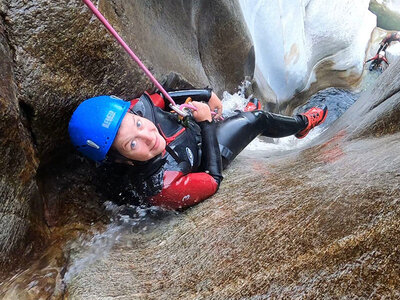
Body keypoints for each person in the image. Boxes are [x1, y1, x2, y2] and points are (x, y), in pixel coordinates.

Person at [69, 89, 327, 210]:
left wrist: (206, 93)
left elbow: (166, 91)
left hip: (191, 133)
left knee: (229, 117)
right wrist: (205, 124)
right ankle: (302, 124)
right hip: (205, 154)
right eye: (132, 144)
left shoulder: (138, 109)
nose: (148, 135)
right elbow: (212, 180)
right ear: (122, 160)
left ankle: (232, 117)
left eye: (138, 124)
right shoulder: (160, 186)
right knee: (256, 120)